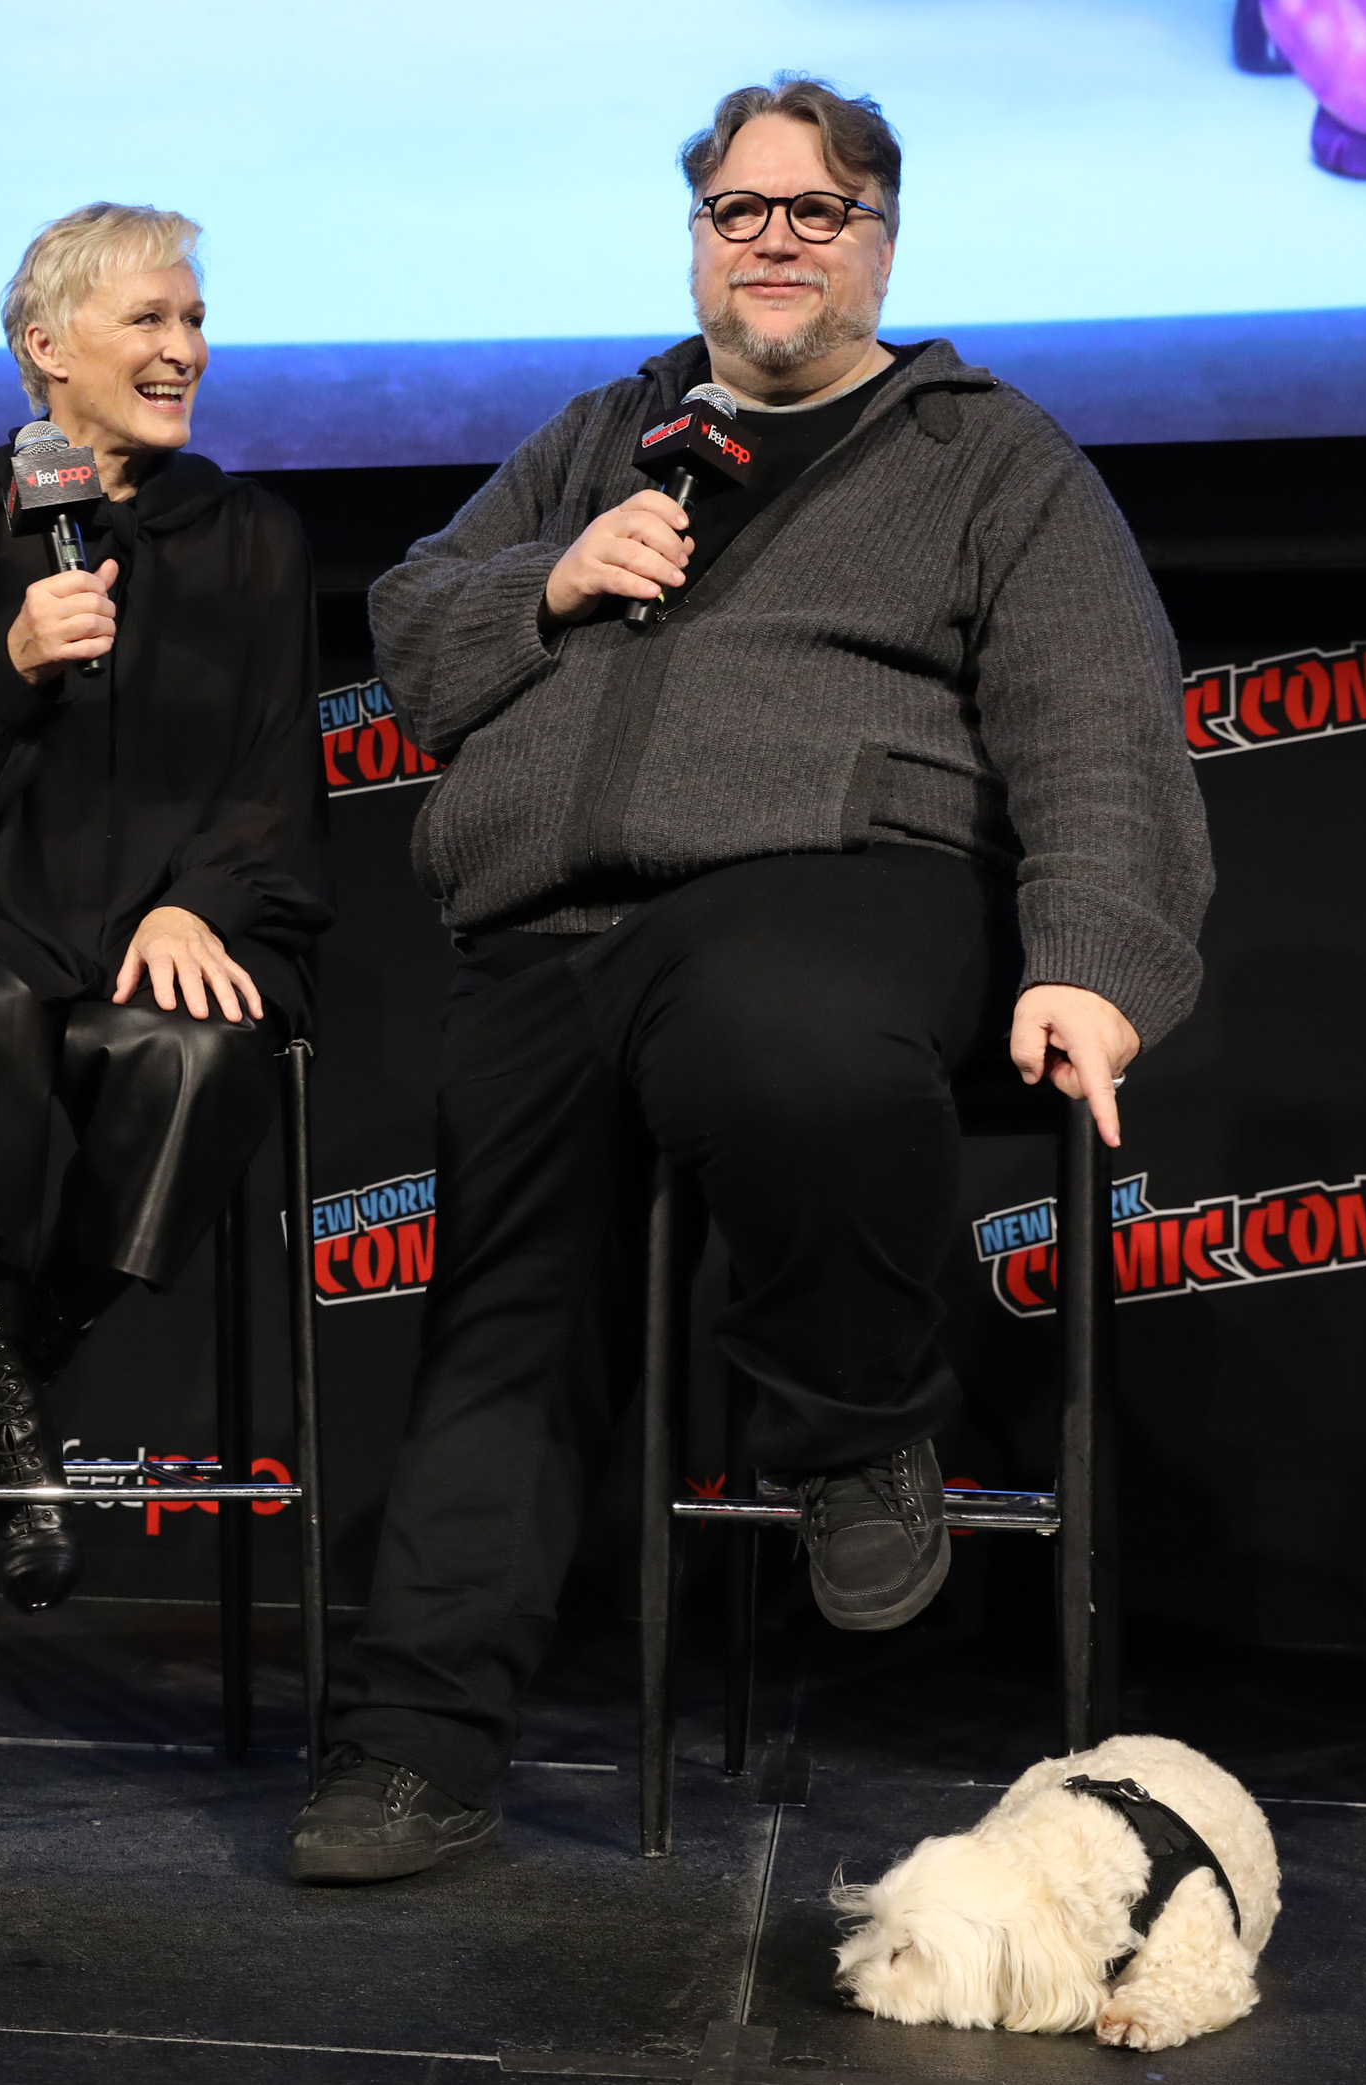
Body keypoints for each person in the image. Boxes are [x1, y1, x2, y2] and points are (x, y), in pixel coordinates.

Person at [286, 76, 1212, 1885]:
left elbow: (1099, 727)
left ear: (882, 244)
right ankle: (413, 1744)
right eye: (738, 210)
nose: (773, 241)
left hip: (840, 876)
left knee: (782, 1036)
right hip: (555, 926)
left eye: (816, 210)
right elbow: (414, 630)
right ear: (698, 238)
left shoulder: (988, 455)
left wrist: (1095, 960)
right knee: (506, 1326)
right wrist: (550, 582)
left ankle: (857, 1431)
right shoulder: (608, 430)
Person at [0, 203, 332, 1613]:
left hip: (189, 915)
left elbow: (275, 771)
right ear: (47, 348)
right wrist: (15, 669)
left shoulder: (253, 535)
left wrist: (202, 905)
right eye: (148, 321)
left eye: (193, 320)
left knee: (191, 1049)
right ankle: (18, 1434)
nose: (185, 350)